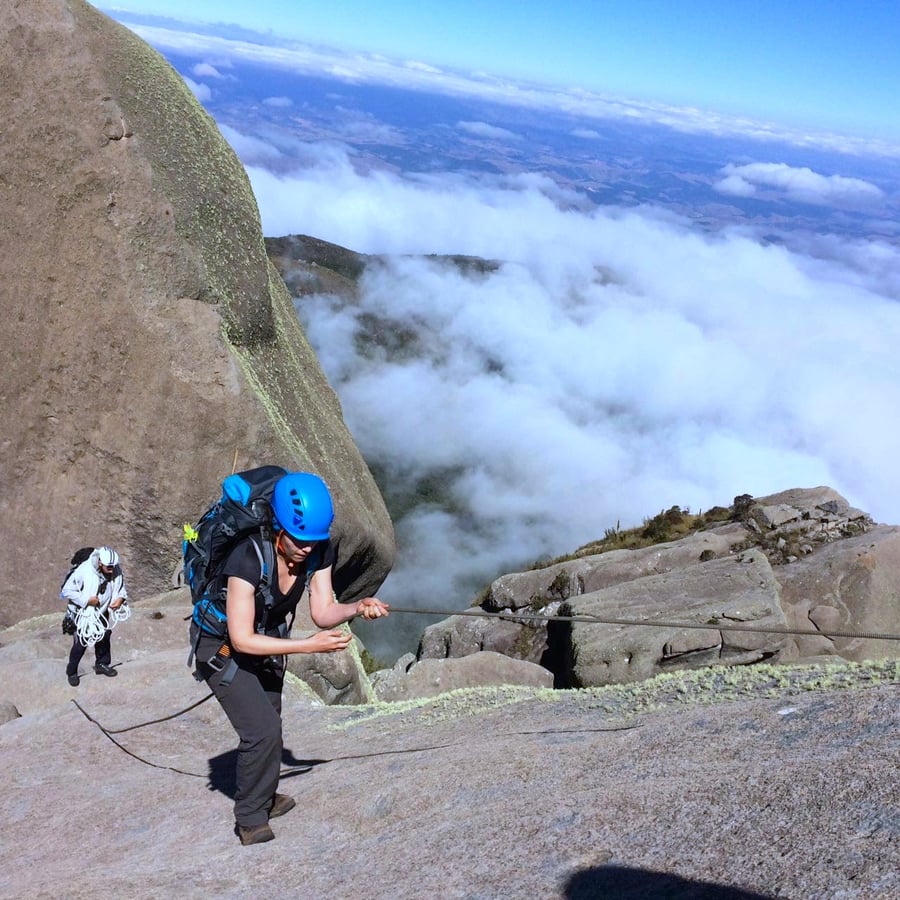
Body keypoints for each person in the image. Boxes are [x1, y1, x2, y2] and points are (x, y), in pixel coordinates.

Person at [191, 471, 389, 846]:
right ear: (278, 527)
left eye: (313, 542)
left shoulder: (317, 549)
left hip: (264, 641)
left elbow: (324, 610)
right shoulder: (247, 557)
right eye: (298, 540)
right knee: (261, 731)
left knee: (271, 720)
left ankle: (263, 796)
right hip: (222, 648)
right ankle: (250, 819)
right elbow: (241, 639)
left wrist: (357, 607)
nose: (306, 549)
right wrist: (306, 647)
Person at [62, 546, 128, 685]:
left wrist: (120, 599)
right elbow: (67, 590)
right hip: (83, 613)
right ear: (99, 562)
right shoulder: (84, 571)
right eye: (108, 566)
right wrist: (87, 600)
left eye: (113, 566)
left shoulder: (114, 569)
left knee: (104, 636)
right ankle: (72, 671)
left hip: (101, 611)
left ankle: (102, 664)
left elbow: (120, 587)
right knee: (81, 642)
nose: (112, 569)